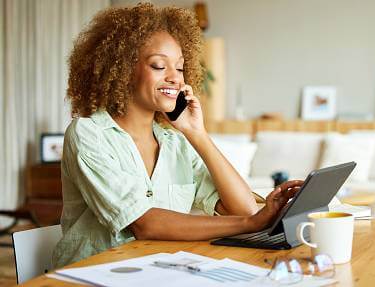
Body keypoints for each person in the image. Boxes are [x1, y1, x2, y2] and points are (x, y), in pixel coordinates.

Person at [51, 3, 303, 268]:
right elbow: (144, 223)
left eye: (180, 68)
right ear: (123, 71)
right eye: (159, 66)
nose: (176, 78)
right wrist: (251, 222)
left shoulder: (175, 143)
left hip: (160, 272)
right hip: (92, 275)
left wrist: (198, 134)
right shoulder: (89, 134)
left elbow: (245, 210)